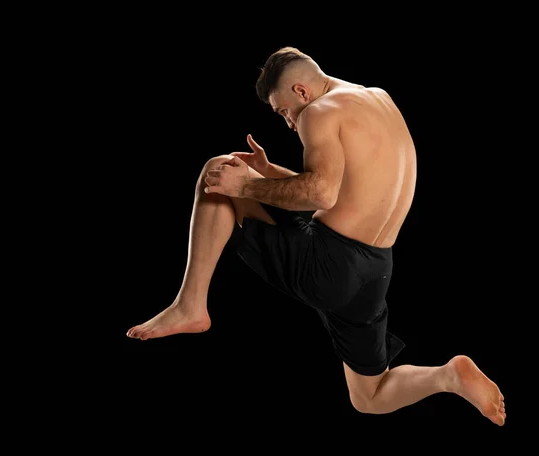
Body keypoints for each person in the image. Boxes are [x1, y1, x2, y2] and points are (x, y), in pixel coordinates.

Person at [126, 46, 505, 425]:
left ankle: (191, 306)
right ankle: (448, 375)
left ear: (301, 92)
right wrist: (269, 171)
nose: (289, 122)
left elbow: (320, 194)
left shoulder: (318, 112)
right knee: (369, 396)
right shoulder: (378, 99)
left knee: (220, 169)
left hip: (330, 262)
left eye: (283, 111)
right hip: (377, 269)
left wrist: (244, 186)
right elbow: (343, 191)